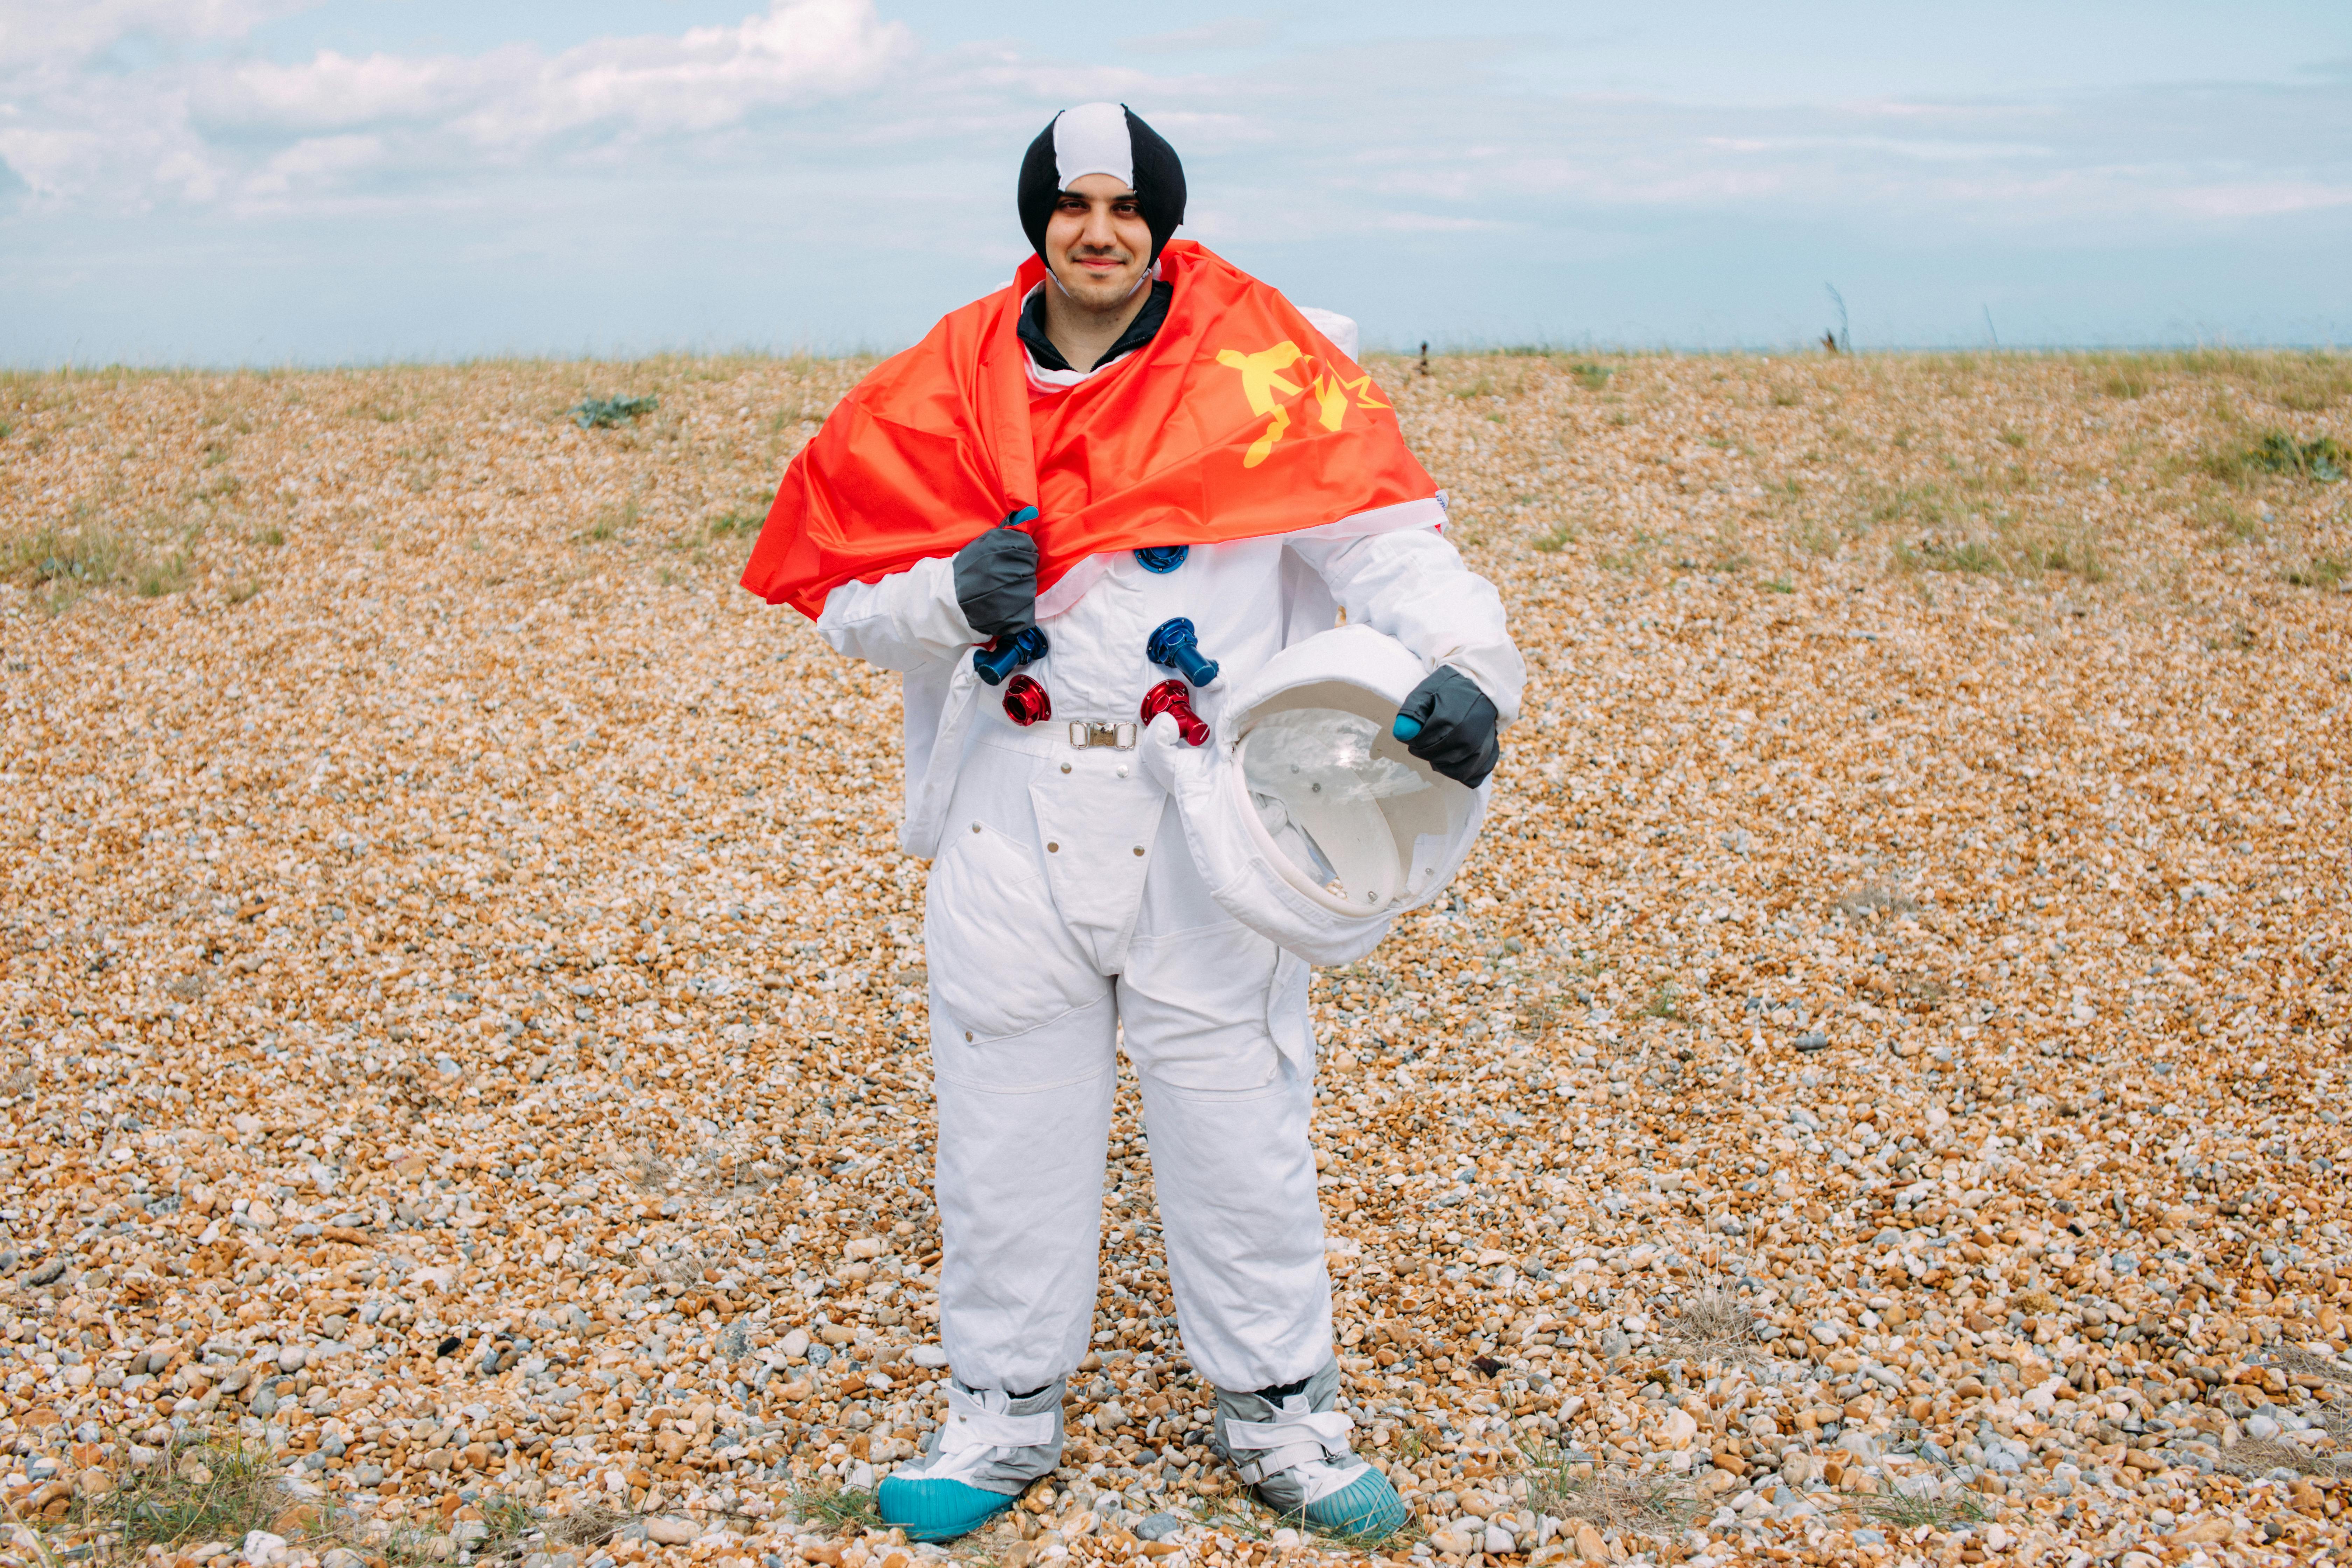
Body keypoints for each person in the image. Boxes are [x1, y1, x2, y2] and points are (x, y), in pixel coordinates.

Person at [741, 102, 1524, 1541]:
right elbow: (847, 595)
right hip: (1009, 813)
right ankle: (1000, 1413)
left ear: (1159, 220)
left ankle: (1284, 1414)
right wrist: (947, 598)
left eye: (1125, 204)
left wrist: (1476, 668)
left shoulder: (1260, 376)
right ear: (1036, 220)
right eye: (1072, 204)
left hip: (1202, 814)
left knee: (1235, 1116)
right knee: (1002, 1119)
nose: (1098, 229)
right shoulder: (945, 391)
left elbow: (1390, 535)